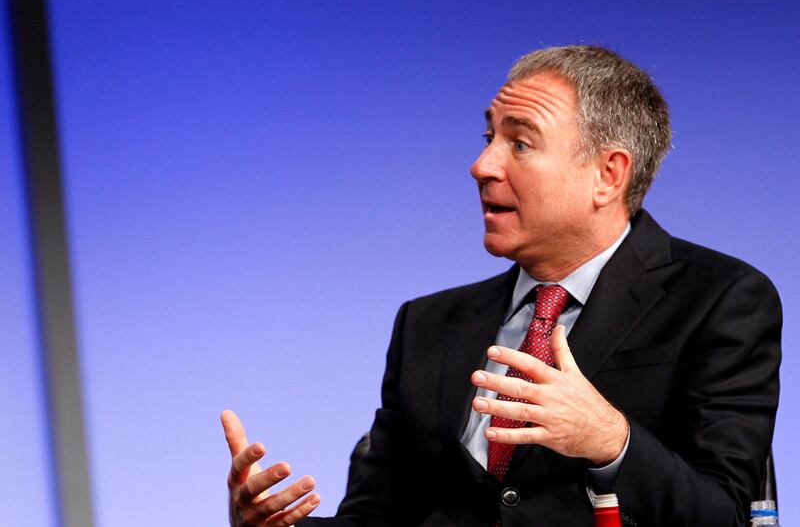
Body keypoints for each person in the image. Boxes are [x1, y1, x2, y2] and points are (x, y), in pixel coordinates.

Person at [220, 45, 781, 526]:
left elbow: (725, 513)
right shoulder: (426, 324)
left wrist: (612, 440)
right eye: (490, 136)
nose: (481, 165)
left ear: (608, 175)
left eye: (520, 143)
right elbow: (377, 515)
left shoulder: (722, 300)